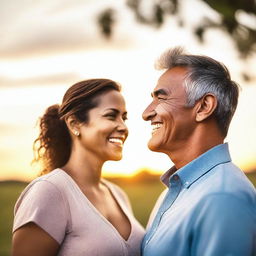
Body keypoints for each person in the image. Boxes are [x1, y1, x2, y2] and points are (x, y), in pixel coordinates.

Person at [141, 47, 256, 256]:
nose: (146, 113)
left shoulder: (222, 197)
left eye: (161, 97)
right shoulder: (176, 190)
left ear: (204, 107)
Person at [12, 78, 145, 256]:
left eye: (124, 117)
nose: (123, 126)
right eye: (111, 115)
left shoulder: (118, 194)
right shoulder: (49, 191)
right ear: (74, 124)